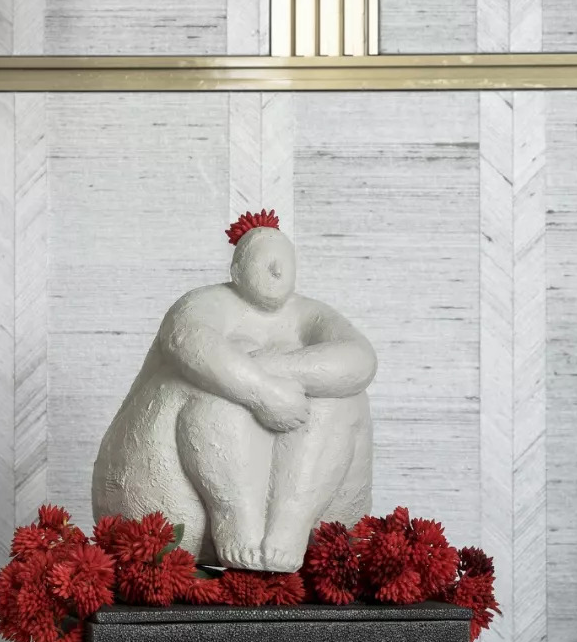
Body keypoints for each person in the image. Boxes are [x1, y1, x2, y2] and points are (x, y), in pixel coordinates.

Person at [92, 210, 377, 572]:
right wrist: (260, 390)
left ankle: (290, 523)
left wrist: (266, 368)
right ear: (237, 269)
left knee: (337, 401)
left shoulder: (311, 314)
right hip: (173, 492)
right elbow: (191, 343)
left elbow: (360, 360)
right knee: (215, 390)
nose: (275, 270)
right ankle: (236, 520)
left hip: (306, 496)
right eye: (263, 259)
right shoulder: (203, 303)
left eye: (283, 261)